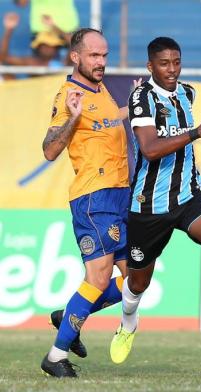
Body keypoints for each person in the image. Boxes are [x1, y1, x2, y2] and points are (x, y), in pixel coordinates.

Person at [109, 36, 201, 365]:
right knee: (136, 284)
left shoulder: (187, 93)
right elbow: (149, 149)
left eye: (176, 62)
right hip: (148, 205)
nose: (172, 69)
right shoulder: (142, 98)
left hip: (189, 195)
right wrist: (197, 131)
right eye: (164, 64)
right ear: (150, 67)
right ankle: (127, 325)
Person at [40, 27, 132, 378]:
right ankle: (55, 355)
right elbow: (49, 149)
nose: (102, 62)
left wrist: (133, 105)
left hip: (120, 194)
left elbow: (107, 121)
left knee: (135, 279)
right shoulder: (69, 94)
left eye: (105, 56)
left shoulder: (101, 89)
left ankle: (68, 316)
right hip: (94, 197)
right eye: (95, 55)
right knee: (97, 277)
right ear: (76, 57)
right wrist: (74, 117)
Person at [0, 12, 66, 71]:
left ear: (57, 48)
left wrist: (54, 27)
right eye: (44, 45)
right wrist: (8, 30)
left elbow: (75, 44)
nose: (48, 48)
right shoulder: (31, 63)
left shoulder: (64, 63)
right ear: (37, 47)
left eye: (52, 45)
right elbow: (4, 58)